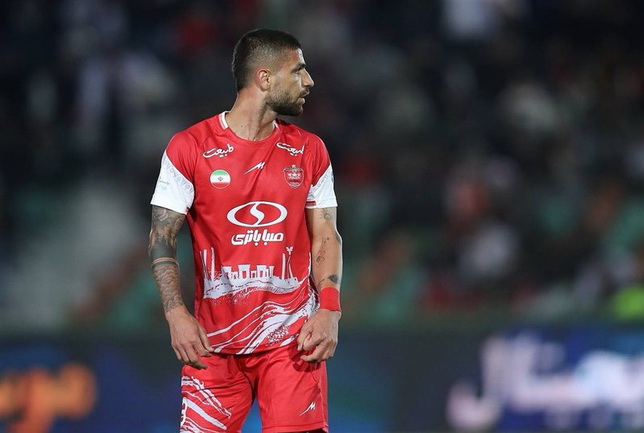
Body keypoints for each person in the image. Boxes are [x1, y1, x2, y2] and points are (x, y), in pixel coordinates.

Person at [148, 29, 342, 433]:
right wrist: (175, 313)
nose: (309, 81)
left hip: (292, 343)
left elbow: (326, 234)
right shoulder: (189, 148)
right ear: (264, 78)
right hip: (213, 344)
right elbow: (161, 236)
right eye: (298, 71)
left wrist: (329, 308)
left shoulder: (310, 151)